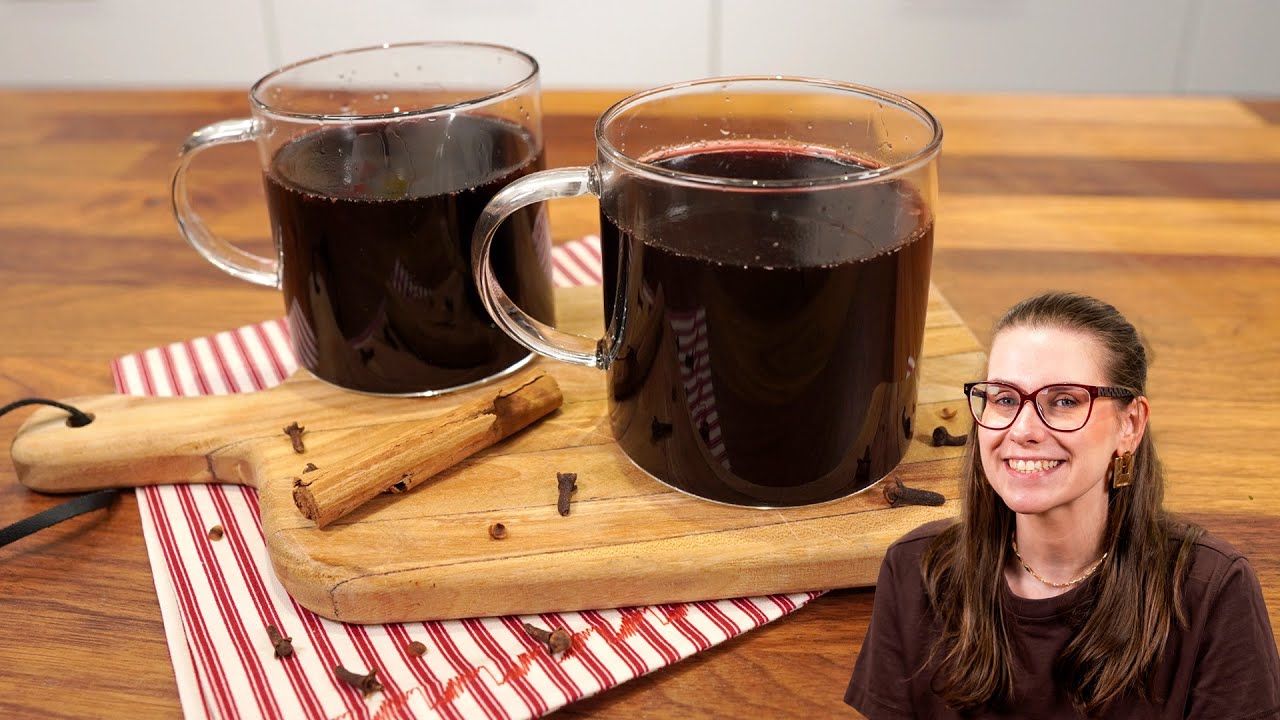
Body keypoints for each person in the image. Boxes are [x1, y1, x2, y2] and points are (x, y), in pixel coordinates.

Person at [845, 291, 1280, 719]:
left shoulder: (1211, 591)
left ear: (1130, 424)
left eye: (1065, 401)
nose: (1024, 430)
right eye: (1005, 399)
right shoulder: (915, 570)